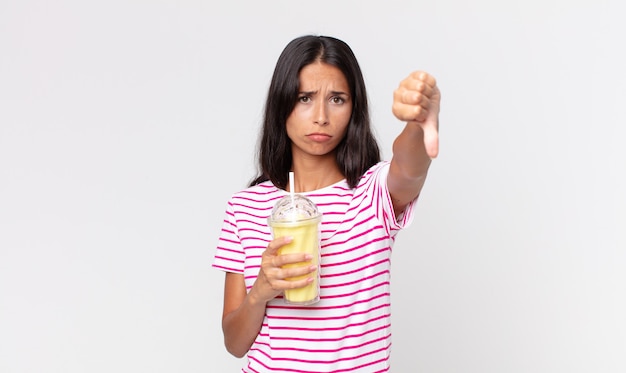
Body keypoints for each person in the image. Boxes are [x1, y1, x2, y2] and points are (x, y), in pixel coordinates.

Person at [212, 34, 441, 372]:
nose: (320, 116)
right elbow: (234, 343)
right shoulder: (244, 207)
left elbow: (408, 168)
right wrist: (261, 291)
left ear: (354, 107)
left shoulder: (372, 193)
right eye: (304, 98)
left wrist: (418, 125)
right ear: (281, 104)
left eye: (337, 99)